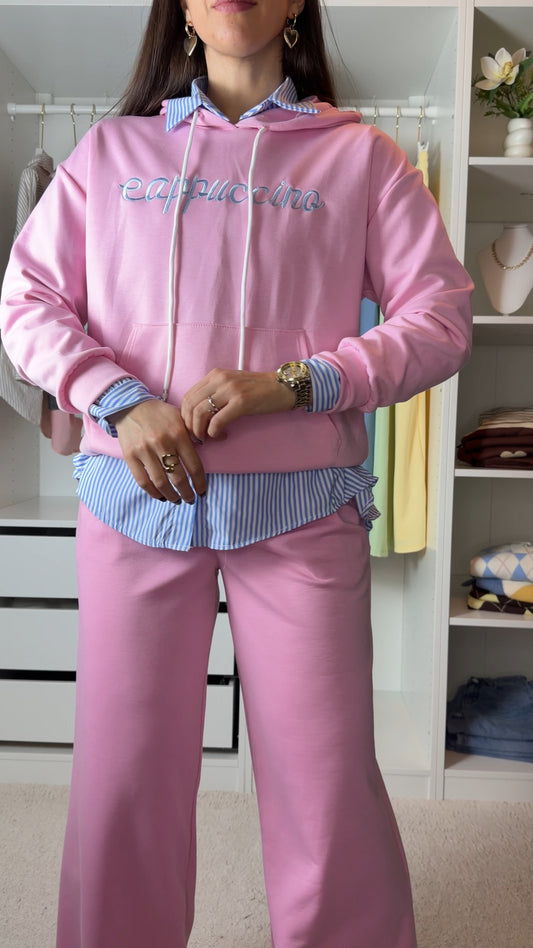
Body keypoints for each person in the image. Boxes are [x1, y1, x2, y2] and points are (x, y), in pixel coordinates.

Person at [0, 1, 474, 945]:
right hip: (133, 505)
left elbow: (439, 319)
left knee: (325, 783)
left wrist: (298, 381)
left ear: (296, 4)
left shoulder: (362, 158)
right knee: (122, 781)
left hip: (302, 511)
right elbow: (28, 302)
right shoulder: (110, 154)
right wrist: (117, 399)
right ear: (179, 8)